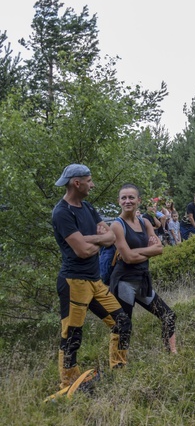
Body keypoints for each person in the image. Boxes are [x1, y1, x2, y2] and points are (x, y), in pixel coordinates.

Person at [51, 164, 132, 390]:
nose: (92, 184)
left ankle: (119, 368)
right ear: (77, 183)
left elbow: (110, 236)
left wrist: (89, 239)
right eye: (89, 180)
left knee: (122, 323)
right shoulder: (62, 212)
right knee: (72, 335)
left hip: (95, 282)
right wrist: (97, 240)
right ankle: (68, 383)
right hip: (73, 282)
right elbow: (82, 251)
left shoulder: (87, 207)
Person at [110, 184, 178, 353]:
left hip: (142, 281)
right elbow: (128, 258)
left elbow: (160, 249)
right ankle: (119, 366)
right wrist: (149, 251)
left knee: (169, 316)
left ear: (138, 200)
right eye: (123, 198)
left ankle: (172, 354)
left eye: (131, 197)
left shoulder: (145, 222)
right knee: (124, 326)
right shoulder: (117, 226)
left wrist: (138, 252)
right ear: (118, 201)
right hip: (123, 282)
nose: (127, 201)